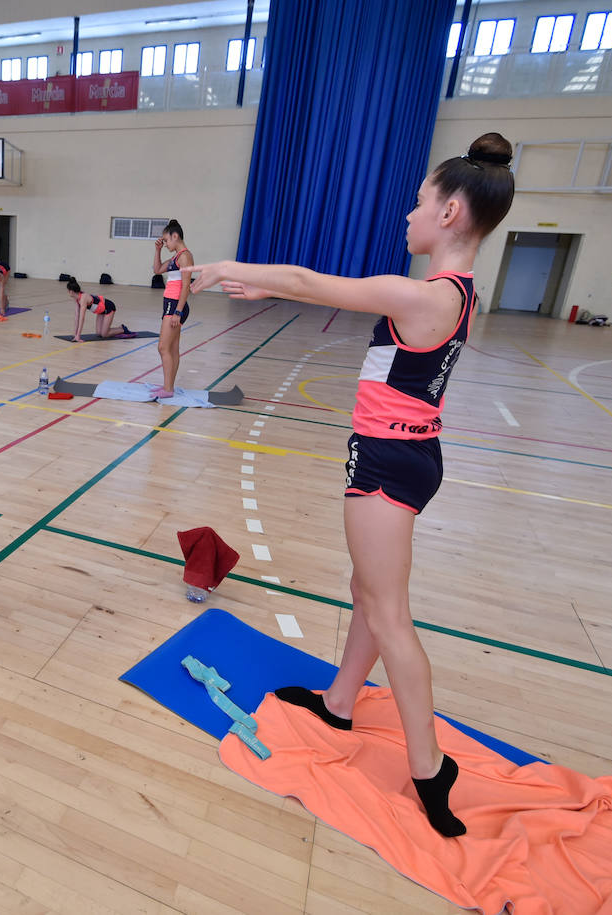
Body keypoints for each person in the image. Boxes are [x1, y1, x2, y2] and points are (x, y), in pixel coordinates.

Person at [185, 133, 515, 838]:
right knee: (369, 592)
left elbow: (310, 284)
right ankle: (339, 699)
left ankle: (431, 768)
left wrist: (232, 269)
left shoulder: (423, 294)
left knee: (389, 612)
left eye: (420, 202)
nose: (408, 213)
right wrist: (264, 282)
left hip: (389, 465)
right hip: (404, 457)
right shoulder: (455, 293)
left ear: (452, 211)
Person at [150, 220, 192, 398]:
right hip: (171, 304)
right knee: (173, 348)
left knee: (163, 347)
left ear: (175, 236)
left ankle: (167, 389)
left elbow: (185, 286)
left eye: (166, 240)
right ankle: (169, 387)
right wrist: (158, 250)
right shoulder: (176, 256)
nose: (165, 243)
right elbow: (157, 269)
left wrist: (178, 311)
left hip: (175, 306)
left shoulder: (185, 256)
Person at [67, 276, 131, 342]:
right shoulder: (77, 299)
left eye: (68, 291)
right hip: (101, 311)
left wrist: (78, 336)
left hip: (109, 307)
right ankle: (115, 329)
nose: (68, 292)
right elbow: (77, 316)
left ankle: (122, 329)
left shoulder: (83, 299)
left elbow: (82, 318)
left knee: (104, 334)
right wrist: (75, 334)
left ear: (71, 291)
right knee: (98, 333)